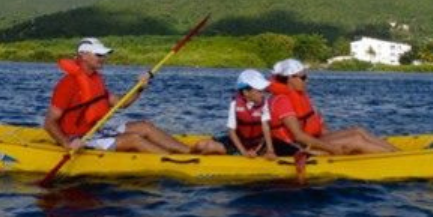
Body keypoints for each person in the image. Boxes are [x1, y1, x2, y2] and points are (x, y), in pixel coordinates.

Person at [44, 37, 223, 154]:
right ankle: (176, 161)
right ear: (83, 56)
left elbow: (122, 103)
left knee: (145, 127)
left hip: (95, 132)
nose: (103, 58)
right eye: (98, 55)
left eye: (103, 55)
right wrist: (67, 144)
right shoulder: (67, 84)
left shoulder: (95, 80)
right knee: (134, 139)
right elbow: (49, 122)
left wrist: (140, 87)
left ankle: (188, 152)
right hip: (78, 139)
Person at [267, 58, 399, 155]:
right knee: (356, 140)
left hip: (312, 140)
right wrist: (332, 148)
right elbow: (298, 136)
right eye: (303, 77)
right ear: (290, 78)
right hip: (299, 148)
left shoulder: (298, 96)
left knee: (357, 131)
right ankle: (397, 159)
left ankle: (398, 153)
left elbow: (319, 129)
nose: (307, 80)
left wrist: (337, 138)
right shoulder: (282, 101)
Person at [216, 69, 277, 159]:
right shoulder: (235, 103)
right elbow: (231, 131)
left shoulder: (265, 104)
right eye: (259, 91)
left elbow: (266, 127)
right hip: (239, 143)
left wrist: (270, 150)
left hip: (258, 145)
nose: (263, 94)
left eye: (263, 91)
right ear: (246, 92)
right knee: (204, 146)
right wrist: (244, 152)